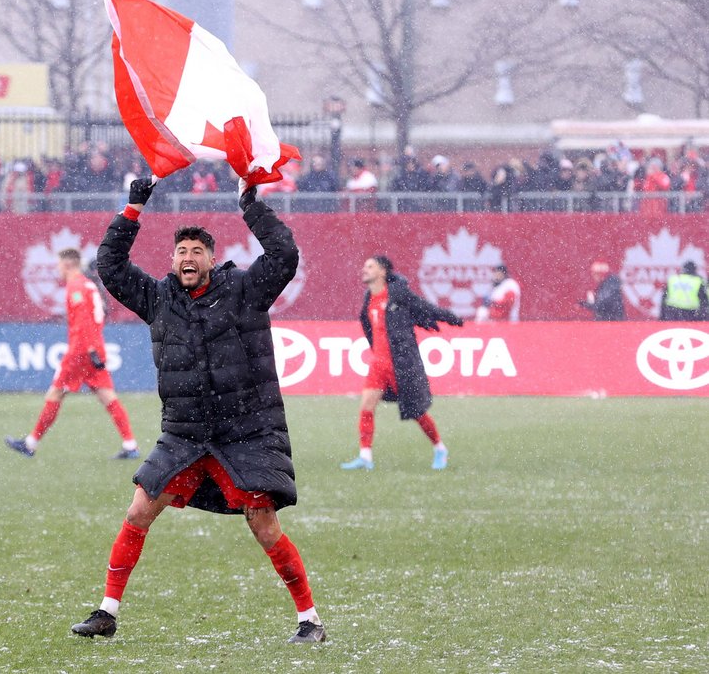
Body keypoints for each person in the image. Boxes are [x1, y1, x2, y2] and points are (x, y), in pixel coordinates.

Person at [69, 177, 326, 644]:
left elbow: (284, 256)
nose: (187, 257)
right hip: (184, 433)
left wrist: (251, 208)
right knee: (140, 508)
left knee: (263, 523)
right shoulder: (158, 298)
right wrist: (132, 209)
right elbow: (110, 265)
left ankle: (309, 620)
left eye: (196, 251)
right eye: (181, 251)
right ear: (173, 261)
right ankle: (106, 612)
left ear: (211, 258)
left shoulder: (245, 291)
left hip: (245, 432)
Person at [5, 248, 139, 459]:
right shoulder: (89, 285)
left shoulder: (76, 286)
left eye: (58, 264)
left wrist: (89, 350)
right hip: (95, 346)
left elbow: (84, 321)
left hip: (81, 350)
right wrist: (95, 348)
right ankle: (130, 444)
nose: (57, 269)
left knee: (56, 393)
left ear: (67, 264)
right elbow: (101, 313)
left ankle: (30, 444)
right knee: (107, 395)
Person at [341, 255, 463, 472]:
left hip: (401, 365)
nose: (364, 270)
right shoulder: (369, 298)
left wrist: (450, 317)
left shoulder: (398, 294)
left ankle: (439, 447)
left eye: (369, 266)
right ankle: (365, 456)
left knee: (416, 411)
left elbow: (424, 307)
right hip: (378, 363)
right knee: (366, 406)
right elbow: (369, 327)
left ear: (382, 272)